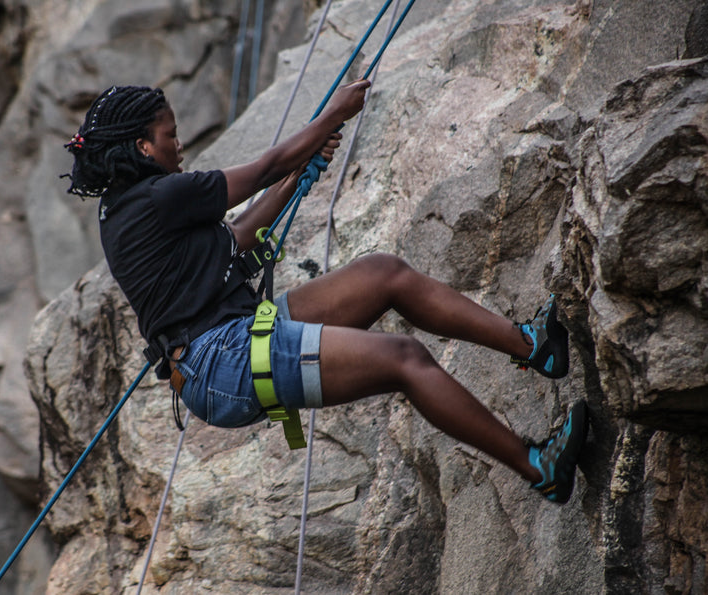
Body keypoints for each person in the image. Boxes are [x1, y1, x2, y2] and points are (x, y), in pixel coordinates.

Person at [62, 82, 589, 504]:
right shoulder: (161, 195)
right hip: (220, 359)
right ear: (141, 146)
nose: (179, 145)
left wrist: (294, 181)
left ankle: (533, 345)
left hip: (225, 344)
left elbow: (234, 239)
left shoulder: (128, 208)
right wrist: (334, 114)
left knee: (386, 275)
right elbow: (263, 166)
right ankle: (538, 468)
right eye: (170, 135)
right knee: (403, 358)